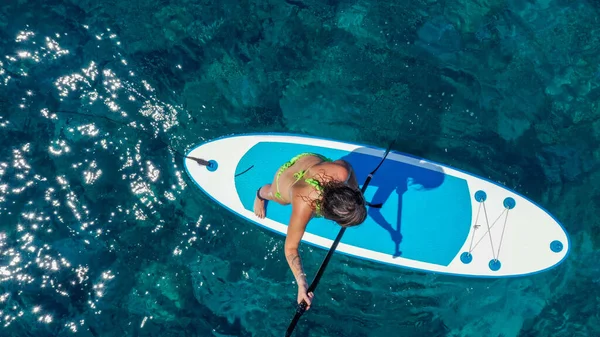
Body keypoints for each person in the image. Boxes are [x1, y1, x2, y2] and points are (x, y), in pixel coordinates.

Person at [253, 152, 367, 310]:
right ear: (328, 215)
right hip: (285, 181)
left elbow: (350, 169)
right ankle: (259, 194)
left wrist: (357, 191)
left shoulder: (341, 172)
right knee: (275, 195)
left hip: (308, 159)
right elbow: (290, 248)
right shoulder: (304, 207)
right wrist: (301, 283)